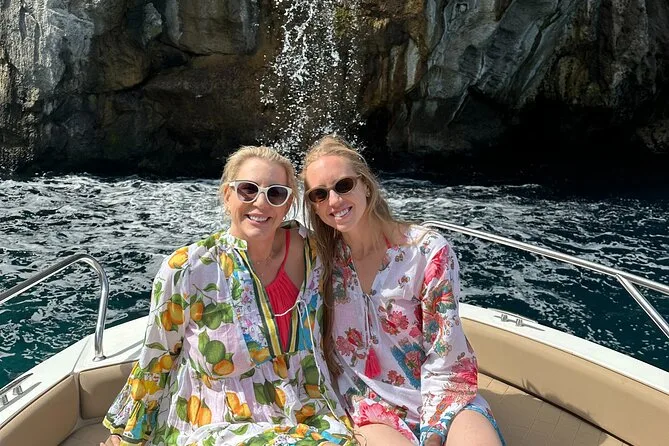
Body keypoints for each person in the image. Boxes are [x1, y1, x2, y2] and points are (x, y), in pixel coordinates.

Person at [101, 146, 356, 446]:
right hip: (219, 423)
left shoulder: (316, 253)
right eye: (248, 190)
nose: (261, 202)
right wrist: (126, 435)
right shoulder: (188, 268)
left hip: (309, 412)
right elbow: (158, 357)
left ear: (288, 204)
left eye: (276, 193)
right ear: (227, 195)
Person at [301, 135, 505, 446]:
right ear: (314, 206)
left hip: (444, 395)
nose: (334, 201)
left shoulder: (426, 251)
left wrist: (434, 433)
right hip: (369, 406)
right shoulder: (320, 261)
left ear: (365, 185)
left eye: (343, 185)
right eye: (319, 194)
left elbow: (446, 354)